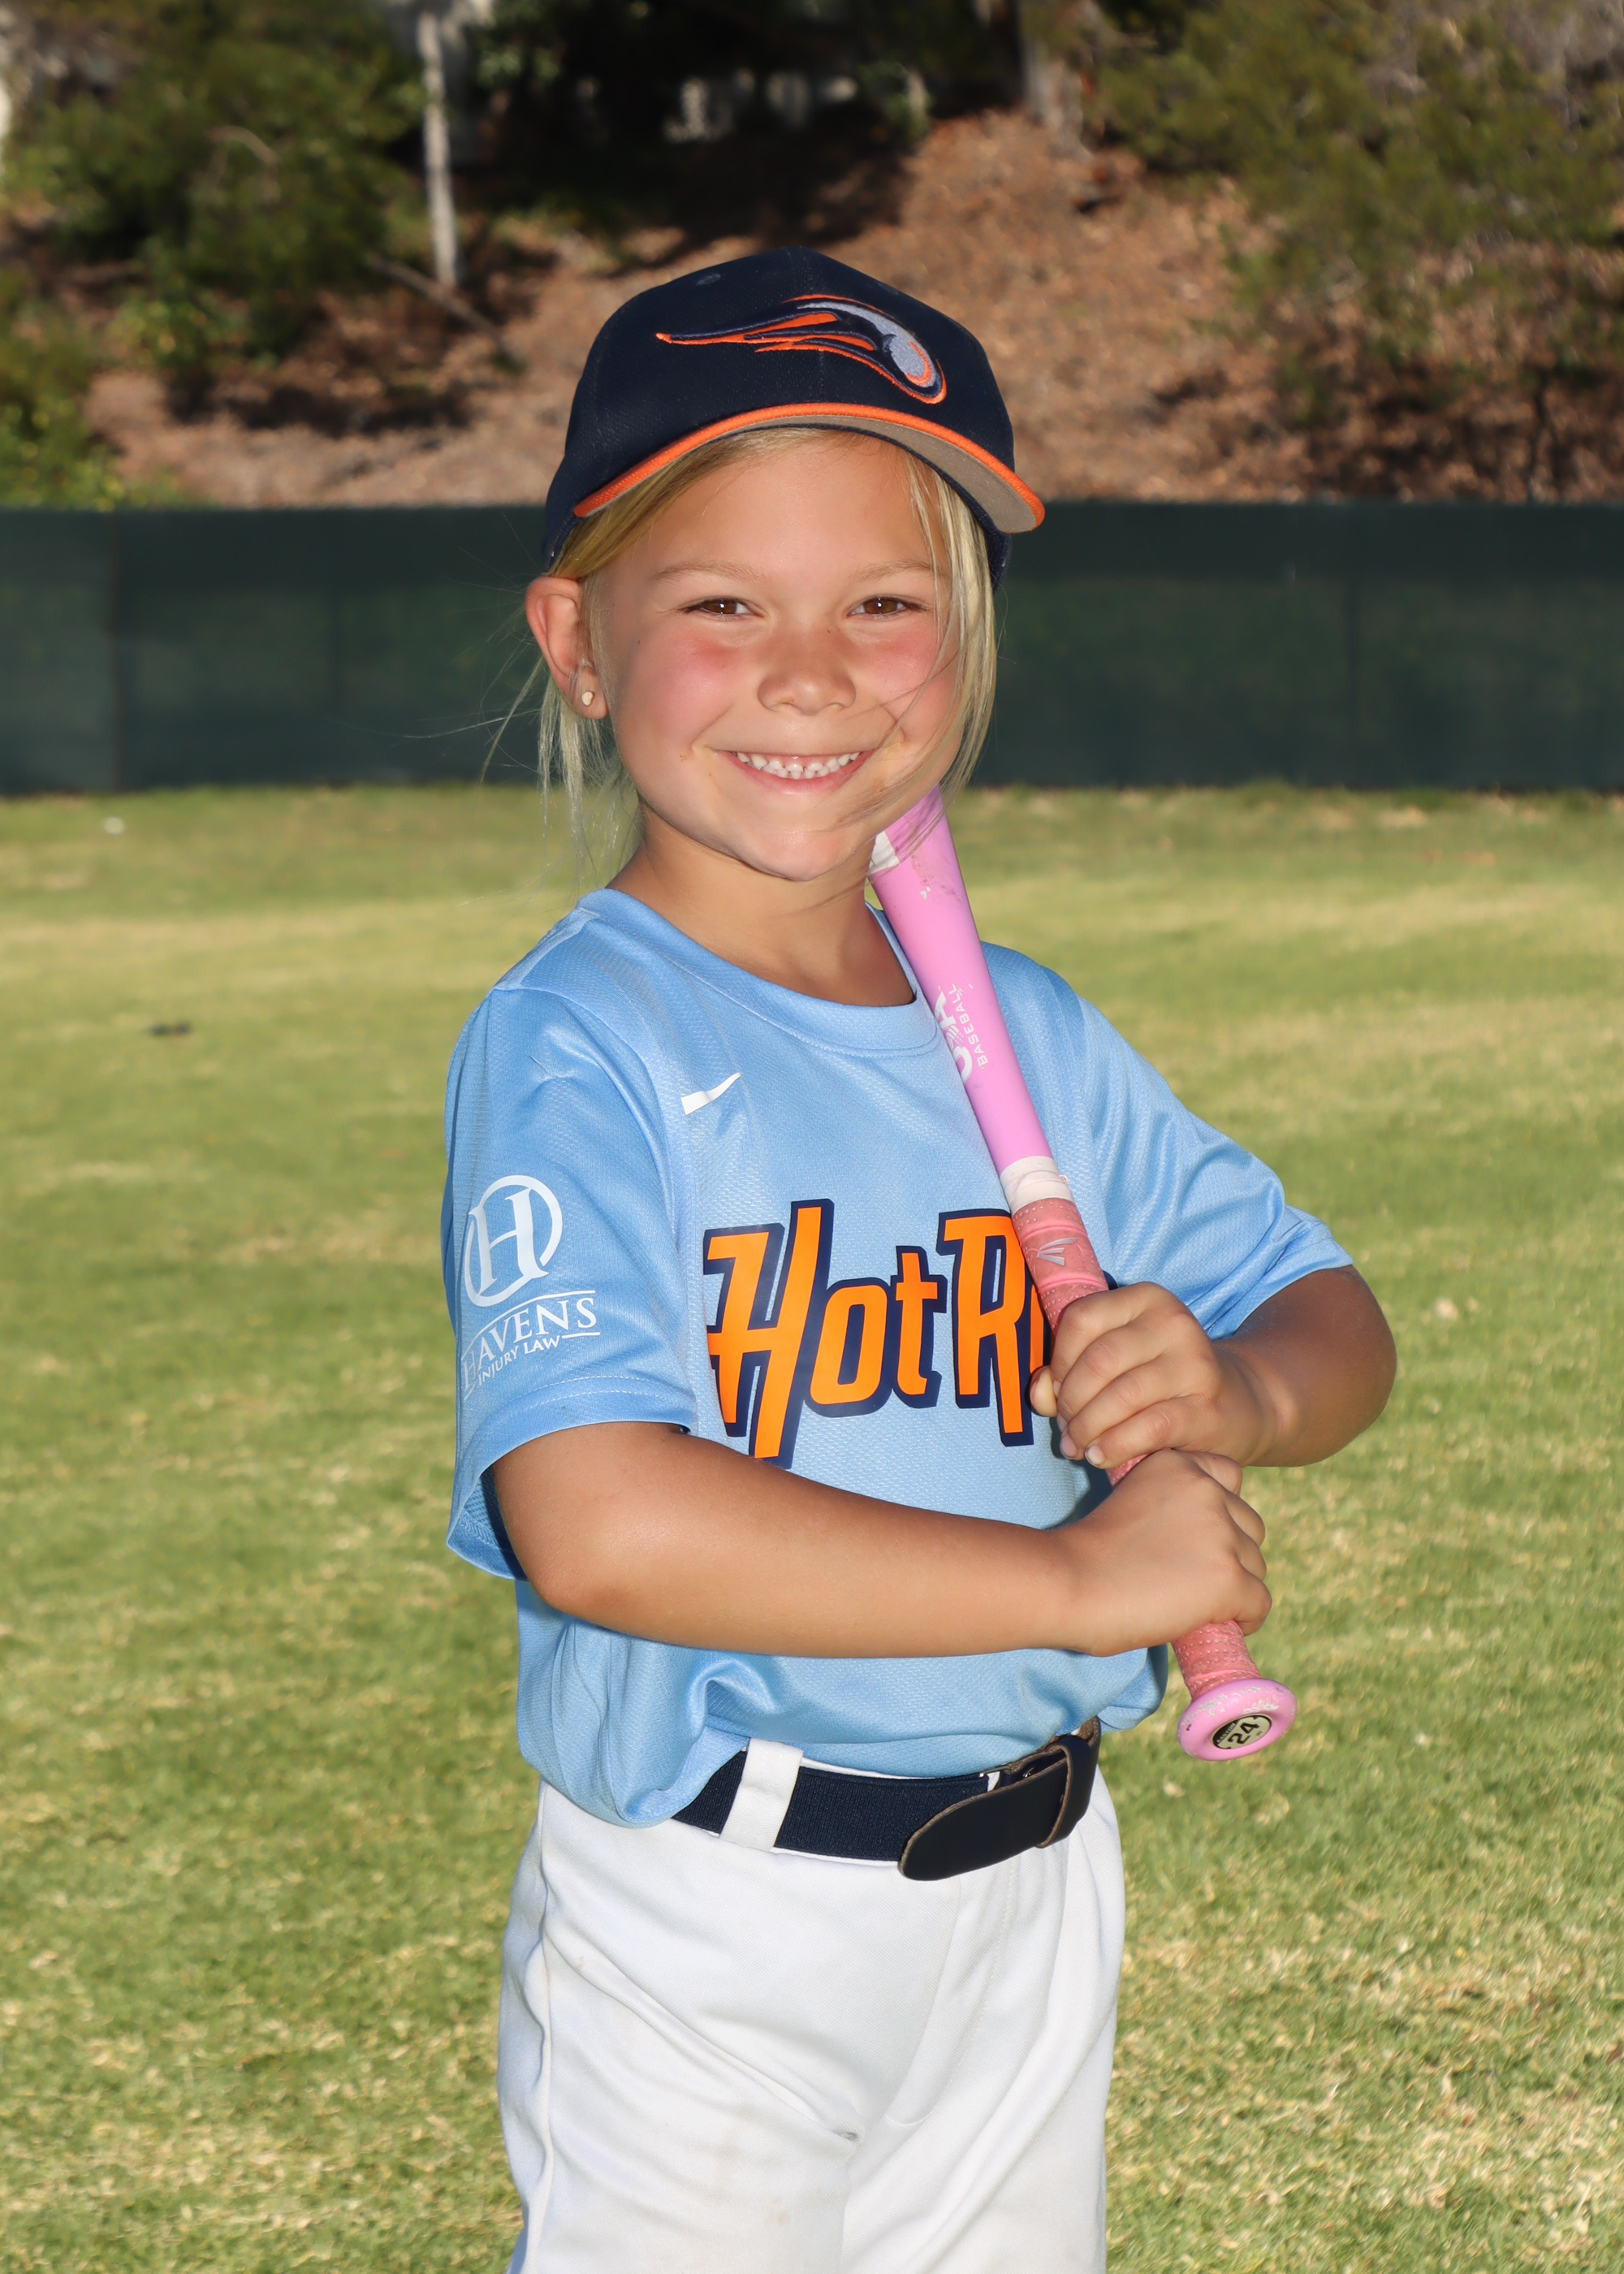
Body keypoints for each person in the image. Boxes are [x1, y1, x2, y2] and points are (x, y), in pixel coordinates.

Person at [441, 247, 1395, 2274]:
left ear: (962, 641)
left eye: (885, 603)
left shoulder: (1027, 1030)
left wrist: (1238, 1391)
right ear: (580, 642)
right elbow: (595, 1518)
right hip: (716, 1912)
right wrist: (1080, 1580)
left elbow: (1327, 1315)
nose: (811, 672)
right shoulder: (580, 1036)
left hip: (1033, 1883)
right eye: (722, 606)